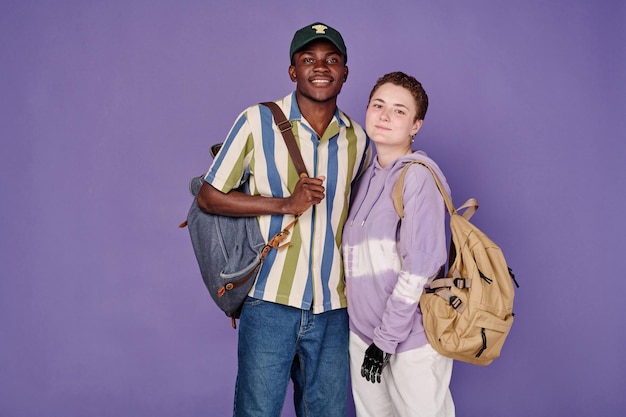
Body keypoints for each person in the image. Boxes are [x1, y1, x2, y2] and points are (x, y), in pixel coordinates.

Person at [197, 22, 371, 417]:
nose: (320, 67)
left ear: (345, 71)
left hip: (333, 308)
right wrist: (284, 205)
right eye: (308, 59)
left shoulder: (358, 140)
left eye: (331, 59)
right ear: (293, 72)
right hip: (269, 302)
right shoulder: (257, 121)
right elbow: (208, 195)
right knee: (257, 412)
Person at [342, 72, 455, 417]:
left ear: (416, 125)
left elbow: (419, 268)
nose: (385, 116)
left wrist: (386, 340)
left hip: (411, 341)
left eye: (399, 111)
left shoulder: (418, 176)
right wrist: (369, 340)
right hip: (364, 336)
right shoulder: (363, 178)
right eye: (378, 105)